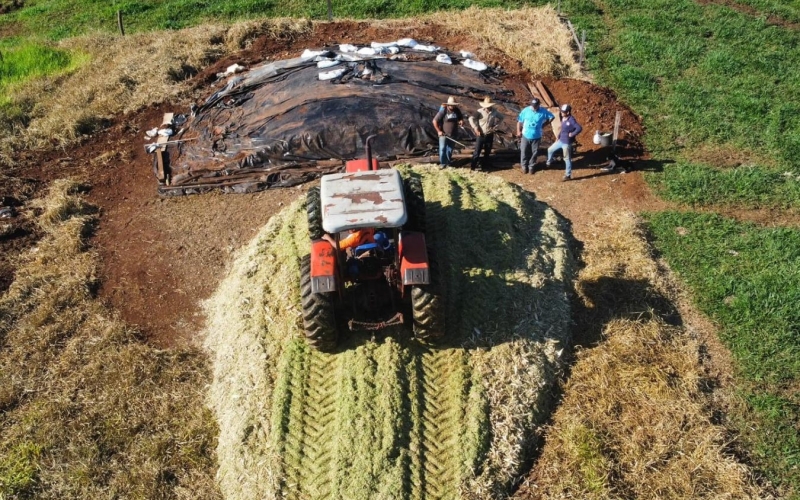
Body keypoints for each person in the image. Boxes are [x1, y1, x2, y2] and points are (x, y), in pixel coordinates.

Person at [516, 98, 554, 174]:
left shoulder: (543, 111)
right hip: (525, 135)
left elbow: (552, 117)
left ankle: (531, 167)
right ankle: (524, 166)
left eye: (535, 106)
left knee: (535, 152)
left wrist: (544, 124)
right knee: (523, 151)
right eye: (532, 105)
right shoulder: (526, 110)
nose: (533, 107)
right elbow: (519, 121)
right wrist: (518, 131)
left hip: (537, 136)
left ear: (538, 105)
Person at [546, 103, 583, 181]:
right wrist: (558, 137)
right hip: (560, 140)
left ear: (568, 112)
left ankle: (568, 175)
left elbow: (579, 128)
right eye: (561, 111)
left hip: (566, 143)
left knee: (567, 159)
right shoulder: (563, 118)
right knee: (550, 150)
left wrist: (572, 134)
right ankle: (549, 161)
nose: (561, 112)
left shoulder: (571, 120)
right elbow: (562, 129)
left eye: (563, 112)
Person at [468, 96, 504, 171]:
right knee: (477, 151)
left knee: (487, 151)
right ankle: (472, 167)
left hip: (489, 134)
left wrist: (496, 126)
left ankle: (485, 167)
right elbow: (471, 118)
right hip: (480, 134)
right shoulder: (480, 111)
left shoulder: (494, 111)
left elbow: (502, 117)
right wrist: (475, 128)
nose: (487, 108)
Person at [433, 96, 464, 167]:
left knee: (449, 150)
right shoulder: (443, 111)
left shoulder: (457, 110)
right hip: (444, 134)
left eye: (454, 105)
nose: (453, 106)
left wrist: (461, 121)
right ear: (448, 105)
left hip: (453, 134)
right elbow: (434, 121)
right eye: (451, 105)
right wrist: (439, 131)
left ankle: (448, 163)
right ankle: (442, 164)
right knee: (442, 149)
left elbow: (460, 117)